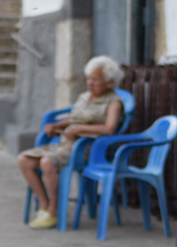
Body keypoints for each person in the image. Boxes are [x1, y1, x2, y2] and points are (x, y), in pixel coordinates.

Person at [20, 55, 126, 229]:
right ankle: (44, 205)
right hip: (66, 144)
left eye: (96, 80)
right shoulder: (85, 96)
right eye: (89, 79)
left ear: (110, 83)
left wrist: (81, 130)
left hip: (87, 148)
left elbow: (109, 129)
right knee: (24, 160)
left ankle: (54, 211)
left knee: (47, 162)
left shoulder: (113, 102)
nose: (90, 83)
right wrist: (56, 124)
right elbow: (74, 117)